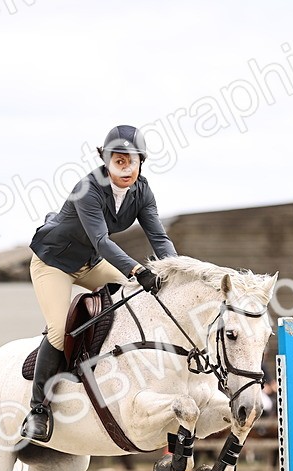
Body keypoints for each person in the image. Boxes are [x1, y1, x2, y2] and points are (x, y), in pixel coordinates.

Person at [20, 125, 178, 443]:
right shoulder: (88, 188)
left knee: (135, 299)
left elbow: (159, 237)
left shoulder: (143, 193)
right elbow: (102, 240)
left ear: (140, 164)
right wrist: (137, 270)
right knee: (56, 329)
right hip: (54, 263)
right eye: (117, 160)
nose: (124, 167)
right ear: (105, 161)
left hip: (89, 263)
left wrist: (175, 273)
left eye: (130, 161)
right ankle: (38, 409)